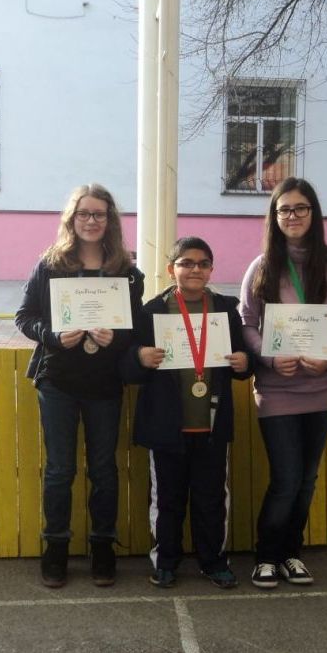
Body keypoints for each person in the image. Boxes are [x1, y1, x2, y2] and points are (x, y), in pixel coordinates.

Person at [15, 183, 144, 588]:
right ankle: (55, 548)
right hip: (58, 381)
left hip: (105, 383)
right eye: (84, 213)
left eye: (99, 214)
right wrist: (53, 334)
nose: (91, 221)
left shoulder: (127, 271)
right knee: (60, 470)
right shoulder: (50, 265)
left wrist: (117, 339)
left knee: (104, 470)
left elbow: (135, 328)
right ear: (71, 218)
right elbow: (24, 317)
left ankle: (103, 547)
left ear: (110, 220)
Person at [240, 177, 327, 589]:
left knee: (307, 479)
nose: (292, 216)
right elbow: (247, 324)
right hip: (277, 391)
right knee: (286, 478)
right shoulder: (261, 268)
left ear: (313, 213)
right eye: (284, 209)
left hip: (323, 392)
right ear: (274, 216)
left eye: (300, 208)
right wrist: (270, 356)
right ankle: (266, 556)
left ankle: (292, 554)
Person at [121, 236, 253, 589]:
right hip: (167, 427)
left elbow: (242, 361)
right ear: (171, 269)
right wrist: (139, 357)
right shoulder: (152, 311)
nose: (195, 269)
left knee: (212, 499)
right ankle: (165, 561)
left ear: (211, 269)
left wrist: (244, 363)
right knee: (166, 500)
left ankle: (213, 561)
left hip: (210, 425)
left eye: (203, 263)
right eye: (186, 263)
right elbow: (128, 366)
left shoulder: (226, 308)